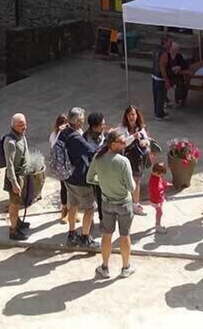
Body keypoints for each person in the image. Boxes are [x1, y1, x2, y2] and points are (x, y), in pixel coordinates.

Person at [87, 129, 137, 279]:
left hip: (107, 203)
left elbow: (89, 179)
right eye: (122, 142)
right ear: (113, 144)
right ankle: (125, 267)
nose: (124, 144)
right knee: (124, 235)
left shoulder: (98, 158)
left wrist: (103, 182)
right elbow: (131, 187)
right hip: (124, 204)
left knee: (107, 235)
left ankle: (104, 267)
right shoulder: (123, 162)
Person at [59, 107, 98, 248]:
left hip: (68, 177)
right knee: (90, 208)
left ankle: (71, 234)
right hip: (79, 179)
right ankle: (85, 238)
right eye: (82, 119)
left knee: (73, 205)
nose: (83, 122)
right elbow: (91, 151)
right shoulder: (75, 137)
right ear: (77, 121)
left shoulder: (64, 132)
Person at [2, 113, 30, 241]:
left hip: (22, 176)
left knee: (18, 203)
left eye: (24, 124)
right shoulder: (10, 142)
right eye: (21, 125)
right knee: (14, 205)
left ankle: (17, 222)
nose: (24, 127)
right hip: (15, 177)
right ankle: (13, 230)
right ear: (13, 126)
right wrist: (14, 183)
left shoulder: (21, 135)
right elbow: (10, 164)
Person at [122, 105, 152, 215]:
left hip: (137, 158)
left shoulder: (140, 127)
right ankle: (126, 203)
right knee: (125, 181)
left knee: (136, 181)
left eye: (133, 114)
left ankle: (135, 204)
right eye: (129, 114)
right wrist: (133, 137)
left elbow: (147, 140)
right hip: (126, 158)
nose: (131, 117)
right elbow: (123, 143)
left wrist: (145, 142)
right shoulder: (122, 128)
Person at [85, 112, 107, 221]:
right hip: (90, 171)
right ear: (94, 127)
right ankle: (90, 219)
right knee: (90, 197)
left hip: (103, 172)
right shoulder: (85, 138)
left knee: (101, 196)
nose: (104, 126)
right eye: (101, 125)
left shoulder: (106, 136)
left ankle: (102, 218)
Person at [49, 113, 70, 223]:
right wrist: (60, 133)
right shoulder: (54, 134)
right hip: (61, 165)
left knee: (72, 188)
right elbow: (53, 147)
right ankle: (64, 209)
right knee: (64, 187)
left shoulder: (70, 132)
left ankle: (73, 210)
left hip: (70, 164)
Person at [151, 36, 171, 119]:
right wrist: (166, 80)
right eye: (170, 43)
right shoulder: (164, 53)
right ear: (165, 42)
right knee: (161, 96)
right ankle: (159, 114)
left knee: (156, 95)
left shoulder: (156, 49)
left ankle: (157, 111)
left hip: (154, 74)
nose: (171, 45)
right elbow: (162, 67)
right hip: (160, 76)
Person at [149, 161, 169, 233]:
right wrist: (164, 188)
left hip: (158, 199)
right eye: (161, 175)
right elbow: (158, 190)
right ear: (157, 173)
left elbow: (161, 182)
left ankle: (157, 224)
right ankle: (158, 226)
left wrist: (165, 184)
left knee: (159, 212)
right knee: (159, 213)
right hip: (156, 200)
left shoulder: (156, 177)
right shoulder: (154, 182)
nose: (162, 176)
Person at [169, 42, 190, 108]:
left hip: (177, 75)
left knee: (182, 83)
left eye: (178, 49)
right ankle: (166, 100)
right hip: (168, 75)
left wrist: (179, 67)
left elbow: (185, 64)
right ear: (172, 49)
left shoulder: (179, 56)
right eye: (177, 49)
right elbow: (164, 66)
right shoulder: (167, 55)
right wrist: (172, 69)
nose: (178, 50)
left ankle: (178, 100)